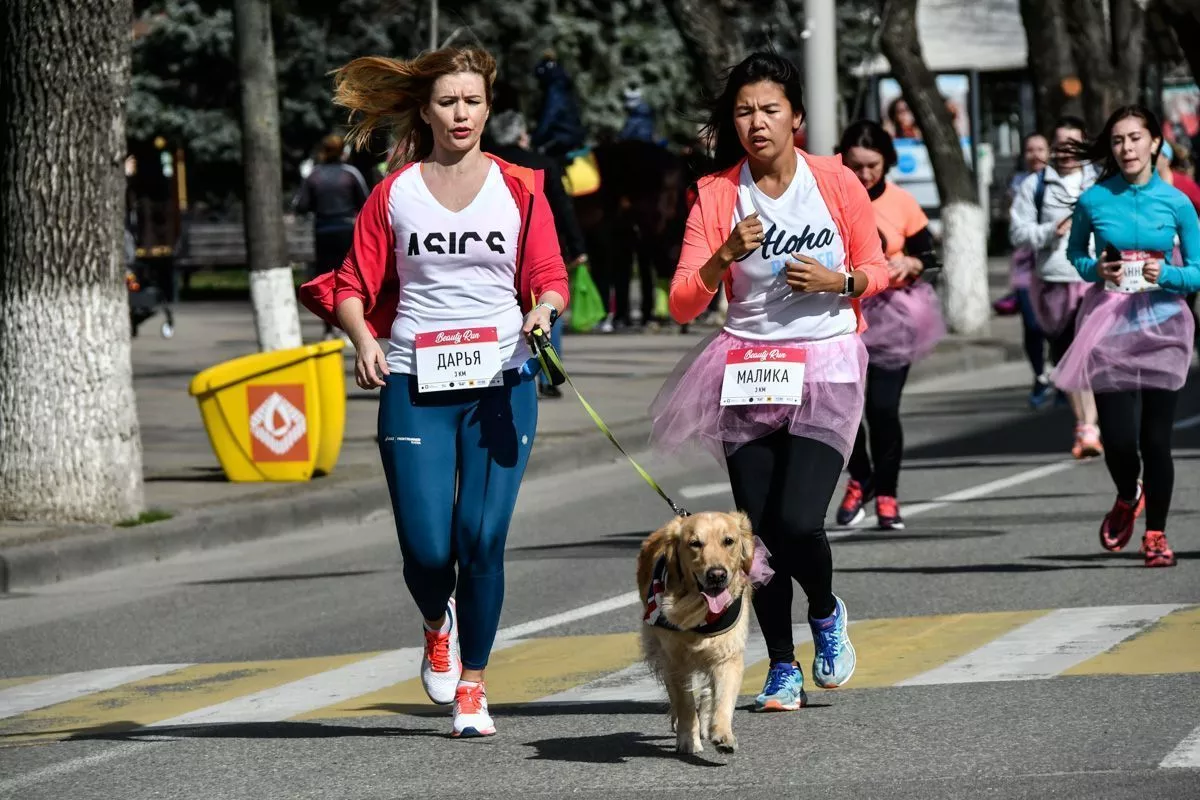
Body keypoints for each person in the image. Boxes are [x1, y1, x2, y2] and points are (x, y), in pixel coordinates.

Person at [298, 47, 569, 735]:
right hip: (415, 382)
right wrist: (364, 340)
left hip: (501, 380)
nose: (460, 114)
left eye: (472, 101)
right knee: (425, 549)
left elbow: (549, 274)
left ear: (488, 108)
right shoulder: (394, 194)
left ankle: (473, 684)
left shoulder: (520, 187)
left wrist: (542, 310)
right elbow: (352, 284)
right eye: (447, 101)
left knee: (481, 538)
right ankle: (434, 620)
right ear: (426, 110)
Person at [649, 52, 890, 711]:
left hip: (827, 363)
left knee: (798, 521)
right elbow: (682, 302)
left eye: (770, 110)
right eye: (744, 112)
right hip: (749, 368)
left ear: (796, 118)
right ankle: (782, 665)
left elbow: (877, 268)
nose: (757, 122)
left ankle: (826, 611)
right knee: (755, 537)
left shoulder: (836, 182)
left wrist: (838, 282)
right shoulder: (717, 194)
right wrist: (725, 253)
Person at [1054, 105, 1199, 568]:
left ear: (1155, 142)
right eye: (1118, 140)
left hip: (1163, 324)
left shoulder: (1177, 202)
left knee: (1155, 441)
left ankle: (1155, 534)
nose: (1126, 148)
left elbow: (1197, 271)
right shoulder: (1094, 200)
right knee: (1117, 440)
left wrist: (1167, 274)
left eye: (1135, 138)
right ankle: (1126, 493)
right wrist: (1096, 268)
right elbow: (1076, 255)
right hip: (1110, 323)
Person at [834, 120, 944, 530]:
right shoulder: (828, 199)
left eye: (873, 166)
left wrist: (911, 262)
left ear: (887, 162)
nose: (864, 175)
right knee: (840, 409)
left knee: (882, 408)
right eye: (856, 166)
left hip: (892, 315)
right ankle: (860, 477)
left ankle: (887, 494)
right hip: (839, 313)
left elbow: (930, 259)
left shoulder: (902, 203)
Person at [1010, 117, 1103, 459]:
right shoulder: (1035, 185)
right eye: (1060, 144)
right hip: (1053, 281)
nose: (1066, 151)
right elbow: (1017, 233)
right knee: (1068, 356)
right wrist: (1051, 231)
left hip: (1095, 279)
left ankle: (1094, 422)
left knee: (1092, 353)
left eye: (1073, 144)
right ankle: (1086, 426)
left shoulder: (1101, 182)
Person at [485, 109, 589, 399]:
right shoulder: (543, 164)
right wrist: (577, 247)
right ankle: (548, 374)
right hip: (541, 247)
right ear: (521, 134)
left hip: (499, 250)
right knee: (546, 306)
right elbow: (563, 209)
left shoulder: (486, 164)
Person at [293, 134, 370, 339]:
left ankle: (328, 328)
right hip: (346, 232)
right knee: (348, 280)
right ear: (343, 151)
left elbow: (301, 205)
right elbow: (366, 202)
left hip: (323, 232)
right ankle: (348, 328)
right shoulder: (350, 174)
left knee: (325, 280)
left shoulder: (314, 175)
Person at [1000, 133, 1053, 406]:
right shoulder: (1018, 183)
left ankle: (1062, 376)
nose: (1036, 155)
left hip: (1054, 261)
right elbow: (1008, 221)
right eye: (1030, 150)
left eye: (1041, 149)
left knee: (1057, 323)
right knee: (1032, 324)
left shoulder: (1059, 182)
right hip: (1025, 264)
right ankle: (1040, 375)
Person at [531, 52, 586, 162]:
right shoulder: (563, 85)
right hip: (572, 134)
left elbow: (549, 117)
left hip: (562, 138)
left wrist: (535, 139)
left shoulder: (554, 91)